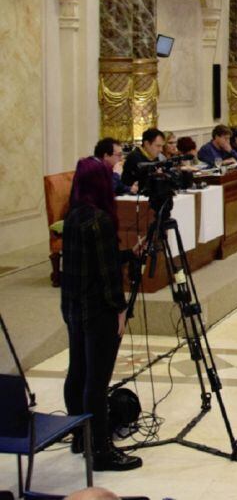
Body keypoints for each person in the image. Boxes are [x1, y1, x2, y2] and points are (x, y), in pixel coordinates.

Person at [61, 158, 142, 472]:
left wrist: (127, 254)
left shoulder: (73, 217)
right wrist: (119, 310)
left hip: (73, 307)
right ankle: (102, 451)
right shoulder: (102, 221)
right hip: (98, 311)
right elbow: (108, 276)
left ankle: (80, 436)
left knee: (77, 371)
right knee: (97, 380)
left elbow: (93, 262)